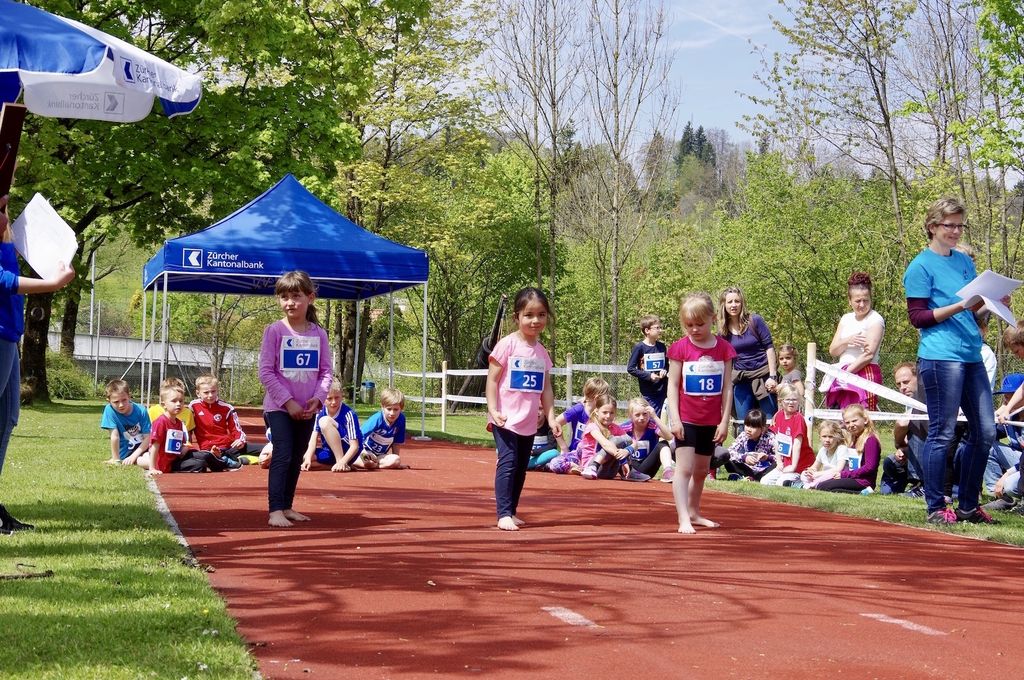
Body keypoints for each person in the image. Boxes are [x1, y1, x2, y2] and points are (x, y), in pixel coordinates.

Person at [902, 197, 996, 524]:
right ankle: (935, 507)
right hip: (941, 356)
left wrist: (993, 303)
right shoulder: (920, 267)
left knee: (985, 432)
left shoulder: (964, 262)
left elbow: (975, 309)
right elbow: (917, 317)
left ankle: (968, 506)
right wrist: (959, 306)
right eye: (949, 225)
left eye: (959, 225)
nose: (956, 231)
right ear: (932, 227)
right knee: (941, 433)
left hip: (971, 354)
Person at [0, 194, 75, 534]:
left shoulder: (5, 242)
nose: (7, 214)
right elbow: (4, 282)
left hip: (8, 337)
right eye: (1, 208)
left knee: (7, 419)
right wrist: (52, 284)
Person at [259, 271, 333, 528]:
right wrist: (287, 401)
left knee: (298, 454)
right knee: (283, 453)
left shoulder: (319, 334)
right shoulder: (274, 331)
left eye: (296, 296)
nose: (290, 302)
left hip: (307, 409)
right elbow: (266, 372)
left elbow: (326, 372)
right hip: (279, 408)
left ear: (310, 298)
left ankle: (287, 506)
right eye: (284, 297)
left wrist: (318, 399)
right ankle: (275, 510)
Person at [486, 287, 560, 531]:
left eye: (541, 315)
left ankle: (512, 510)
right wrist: (493, 409)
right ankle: (503, 513)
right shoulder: (506, 345)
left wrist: (551, 417)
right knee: (508, 462)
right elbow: (492, 380)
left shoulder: (541, 353)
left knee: (520, 467)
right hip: (505, 419)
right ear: (516, 317)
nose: (535, 320)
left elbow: (546, 388)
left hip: (529, 421)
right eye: (529, 315)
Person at [667, 292, 735, 534]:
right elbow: (673, 385)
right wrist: (675, 419)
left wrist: (724, 421)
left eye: (699, 324)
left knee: (701, 471)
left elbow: (727, 387)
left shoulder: (724, 349)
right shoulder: (680, 349)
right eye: (689, 325)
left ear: (713, 319)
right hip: (686, 419)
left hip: (710, 420)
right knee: (684, 469)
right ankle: (683, 517)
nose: (694, 329)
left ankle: (694, 511)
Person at [823, 272, 885, 411]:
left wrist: (846, 374)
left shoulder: (875, 319)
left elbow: (868, 355)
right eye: (858, 301)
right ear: (850, 300)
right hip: (843, 372)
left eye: (866, 300)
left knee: (862, 417)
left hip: (864, 371)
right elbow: (833, 350)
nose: (862, 305)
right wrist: (847, 341)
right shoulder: (846, 318)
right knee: (841, 417)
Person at [718, 286, 778, 425]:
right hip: (741, 380)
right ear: (724, 305)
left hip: (763, 378)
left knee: (769, 422)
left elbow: (769, 348)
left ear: (742, 303)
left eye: (737, 301)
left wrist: (772, 376)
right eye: (730, 302)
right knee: (742, 424)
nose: (734, 305)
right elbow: (725, 360)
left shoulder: (755, 321)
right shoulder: (723, 332)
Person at [148, 385, 232, 474]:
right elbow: (154, 446)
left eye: (181, 401)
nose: (178, 404)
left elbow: (179, 446)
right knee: (200, 464)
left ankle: (224, 462)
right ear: (164, 404)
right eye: (174, 401)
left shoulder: (178, 423)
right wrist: (152, 468)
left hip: (178, 457)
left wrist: (185, 448)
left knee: (206, 455)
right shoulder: (161, 422)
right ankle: (219, 463)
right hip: (168, 464)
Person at [545, 377, 609, 475]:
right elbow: (556, 423)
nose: (607, 399)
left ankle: (586, 468)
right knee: (555, 463)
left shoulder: (604, 413)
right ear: (596, 398)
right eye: (606, 396)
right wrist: (563, 447)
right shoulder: (578, 409)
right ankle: (574, 467)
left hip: (596, 455)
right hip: (577, 454)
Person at [813, 404, 880, 494]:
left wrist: (844, 474)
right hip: (851, 477)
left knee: (823, 486)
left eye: (854, 421)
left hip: (862, 481)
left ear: (865, 420)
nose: (851, 425)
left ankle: (864, 492)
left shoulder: (870, 440)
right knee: (822, 484)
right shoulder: (853, 438)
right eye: (847, 422)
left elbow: (869, 467)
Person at [579, 395, 648, 481]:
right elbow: (605, 444)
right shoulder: (592, 426)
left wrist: (627, 451)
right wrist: (623, 460)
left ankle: (628, 471)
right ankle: (593, 466)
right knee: (615, 441)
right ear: (596, 411)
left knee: (626, 440)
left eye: (611, 413)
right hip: (592, 466)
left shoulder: (615, 427)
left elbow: (633, 442)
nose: (608, 416)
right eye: (604, 412)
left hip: (609, 470)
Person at [302, 379, 364, 472]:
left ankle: (341, 462)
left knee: (325, 421)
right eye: (329, 398)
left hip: (347, 451)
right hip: (329, 451)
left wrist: (342, 461)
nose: (334, 402)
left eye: (337, 397)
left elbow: (355, 446)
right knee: (304, 458)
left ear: (342, 396)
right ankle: (336, 466)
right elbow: (313, 439)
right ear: (323, 398)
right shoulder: (319, 412)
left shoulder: (349, 414)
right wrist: (307, 459)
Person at [190, 375, 249, 464]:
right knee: (206, 458)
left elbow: (236, 429)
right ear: (198, 393)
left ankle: (232, 458)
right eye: (206, 392)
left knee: (262, 448)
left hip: (227, 446)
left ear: (217, 390)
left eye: (213, 391)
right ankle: (233, 460)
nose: (210, 395)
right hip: (207, 449)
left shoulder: (227, 408)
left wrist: (240, 440)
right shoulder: (193, 407)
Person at [760, 384, 811, 486]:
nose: (791, 402)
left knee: (780, 483)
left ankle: (800, 483)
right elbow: (777, 441)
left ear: (798, 401)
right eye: (788, 399)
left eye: (794, 399)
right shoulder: (779, 416)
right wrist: (779, 462)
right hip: (785, 464)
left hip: (800, 465)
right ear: (781, 401)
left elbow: (797, 445)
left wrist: (793, 466)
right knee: (765, 481)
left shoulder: (798, 418)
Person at [985, 374, 1024, 494]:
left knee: (1010, 485)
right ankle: (997, 494)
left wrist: (1007, 474)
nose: (1006, 401)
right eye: (1005, 397)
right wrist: (996, 415)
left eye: (1009, 397)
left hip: (1021, 463)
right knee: (987, 446)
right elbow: (990, 436)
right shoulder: (1010, 416)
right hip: (1019, 462)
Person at [892, 362, 926, 495]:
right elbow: (902, 424)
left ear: (919, 378)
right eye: (898, 384)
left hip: (944, 448)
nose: (902, 387)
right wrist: (901, 447)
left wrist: (899, 444)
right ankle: (895, 487)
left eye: (906, 382)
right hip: (926, 448)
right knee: (891, 461)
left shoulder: (927, 396)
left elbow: (902, 424)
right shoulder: (910, 402)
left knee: (915, 432)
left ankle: (922, 485)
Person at [100, 379, 152, 467]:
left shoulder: (141, 410)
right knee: (142, 461)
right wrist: (116, 459)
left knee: (149, 456)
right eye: (116, 402)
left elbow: (148, 437)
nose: (121, 405)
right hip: (127, 452)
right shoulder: (109, 410)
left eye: (124, 400)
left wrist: (134, 456)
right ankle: (158, 465)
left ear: (129, 396)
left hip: (143, 448)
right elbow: (114, 436)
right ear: (109, 401)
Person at [621, 397, 672, 480]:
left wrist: (655, 417)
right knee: (617, 442)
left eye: (645, 414)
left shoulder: (653, 426)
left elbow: (669, 436)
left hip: (647, 468)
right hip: (630, 468)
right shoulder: (624, 428)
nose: (641, 418)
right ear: (630, 416)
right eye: (637, 415)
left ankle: (668, 471)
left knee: (663, 444)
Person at [626, 314, 668, 415]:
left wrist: (665, 370)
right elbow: (631, 368)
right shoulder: (639, 348)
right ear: (647, 330)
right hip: (649, 392)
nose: (660, 330)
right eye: (657, 328)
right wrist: (649, 376)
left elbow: (666, 365)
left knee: (662, 419)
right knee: (650, 418)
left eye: (660, 327)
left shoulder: (662, 346)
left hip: (663, 390)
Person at [721, 409, 776, 481]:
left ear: (762, 428)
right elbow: (730, 451)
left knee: (777, 465)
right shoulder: (743, 435)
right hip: (747, 468)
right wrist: (744, 458)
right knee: (727, 458)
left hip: (764, 470)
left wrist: (767, 457)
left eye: (753, 427)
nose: (748, 430)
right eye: (747, 425)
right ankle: (749, 476)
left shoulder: (770, 437)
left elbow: (780, 458)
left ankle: (751, 477)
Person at [360, 387, 407, 470]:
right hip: (365, 451)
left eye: (396, 409)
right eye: (389, 409)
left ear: (401, 409)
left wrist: (397, 464)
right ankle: (367, 463)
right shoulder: (377, 419)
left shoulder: (401, 420)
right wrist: (363, 451)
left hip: (380, 456)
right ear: (382, 407)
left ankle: (375, 465)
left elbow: (397, 442)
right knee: (366, 460)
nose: (392, 413)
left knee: (396, 460)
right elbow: (358, 435)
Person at [801, 420, 847, 490]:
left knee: (829, 476)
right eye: (824, 436)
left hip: (836, 477)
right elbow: (815, 467)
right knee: (804, 474)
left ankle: (810, 485)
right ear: (820, 437)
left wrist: (818, 474)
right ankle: (810, 485)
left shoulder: (841, 449)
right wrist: (810, 471)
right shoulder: (822, 450)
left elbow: (838, 469)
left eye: (831, 437)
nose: (827, 440)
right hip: (822, 476)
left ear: (837, 438)